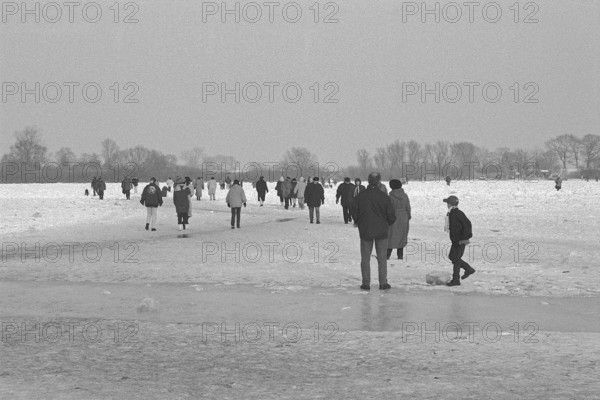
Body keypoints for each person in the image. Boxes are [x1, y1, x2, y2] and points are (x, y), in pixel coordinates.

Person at [351, 172, 396, 291]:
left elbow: (354, 210)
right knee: (382, 258)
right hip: (382, 231)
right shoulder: (385, 197)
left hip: (365, 230)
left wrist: (357, 221)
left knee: (365, 258)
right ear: (379, 181)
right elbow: (391, 216)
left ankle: (366, 283)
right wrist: (387, 223)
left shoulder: (360, 196)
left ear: (368, 181)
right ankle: (383, 283)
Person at [443, 195, 475, 287]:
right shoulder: (458, 212)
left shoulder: (453, 214)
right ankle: (467, 270)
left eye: (447, 203)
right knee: (453, 257)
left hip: (459, 240)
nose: (446, 205)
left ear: (449, 204)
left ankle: (457, 279)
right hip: (461, 239)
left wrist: (456, 241)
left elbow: (455, 229)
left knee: (455, 258)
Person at [387, 179, 411, 260]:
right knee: (402, 236)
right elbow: (408, 207)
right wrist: (408, 216)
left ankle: (387, 255)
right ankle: (400, 256)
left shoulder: (390, 196)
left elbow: (388, 209)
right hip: (404, 217)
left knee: (391, 236)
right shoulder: (405, 196)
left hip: (394, 217)